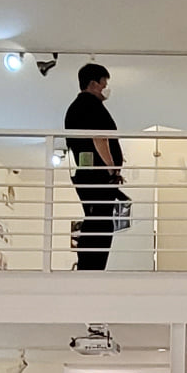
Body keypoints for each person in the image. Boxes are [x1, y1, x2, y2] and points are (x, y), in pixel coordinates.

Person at [64, 63, 129, 271]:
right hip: (97, 175)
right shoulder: (91, 106)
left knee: (95, 218)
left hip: (87, 173)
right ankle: (92, 267)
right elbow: (99, 138)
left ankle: (88, 266)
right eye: (103, 84)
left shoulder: (76, 108)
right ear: (93, 84)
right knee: (101, 221)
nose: (105, 89)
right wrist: (111, 168)